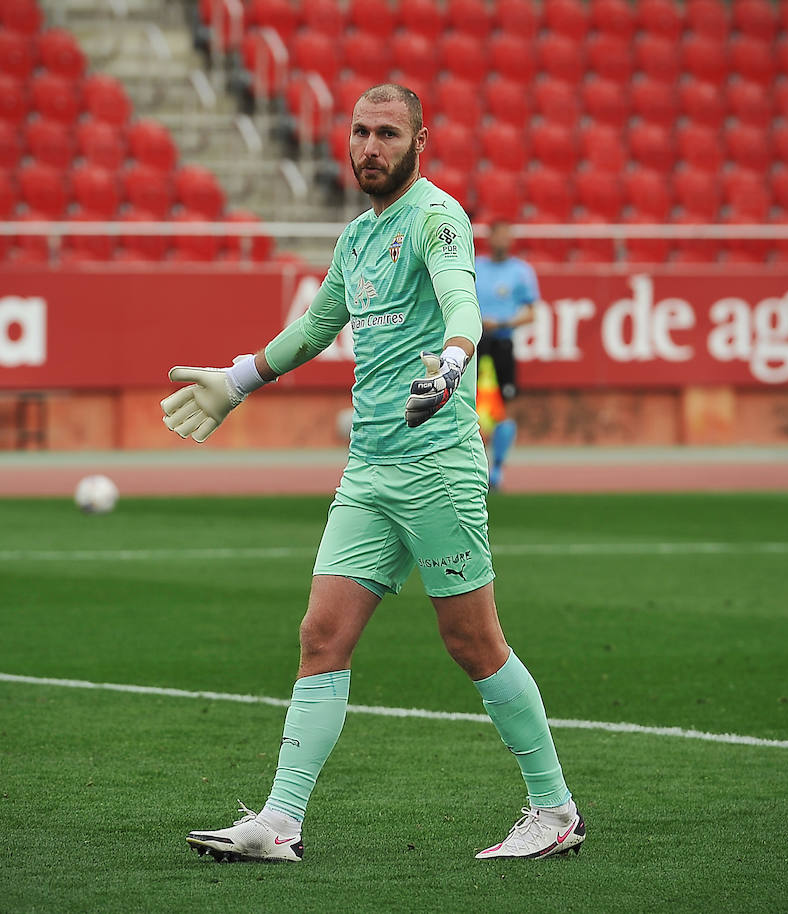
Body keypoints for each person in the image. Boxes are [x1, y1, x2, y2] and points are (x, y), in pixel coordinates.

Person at [164, 85, 584, 863]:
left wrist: (455, 362)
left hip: (438, 466)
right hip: (370, 470)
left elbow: (462, 300)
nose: (370, 147)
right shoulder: (358, 240)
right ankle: (280, 823)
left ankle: (554, 810)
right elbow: (318, 327)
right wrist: (237, 380)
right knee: (322, 635)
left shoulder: (436, 217)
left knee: (472, 640)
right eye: (360, 132)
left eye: (388, 133)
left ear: (420, 141)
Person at [475, 221, 538, 491]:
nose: (502, 240)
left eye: (506, 235)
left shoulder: (521, 272)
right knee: (469, 405)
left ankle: (497, 468)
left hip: (501, 343)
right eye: (497, 234)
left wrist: (502, 323)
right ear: (490, 238)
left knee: (505, 406)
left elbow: (531, 312)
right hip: (474, 343)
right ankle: (473, 467)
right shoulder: (475, 265)